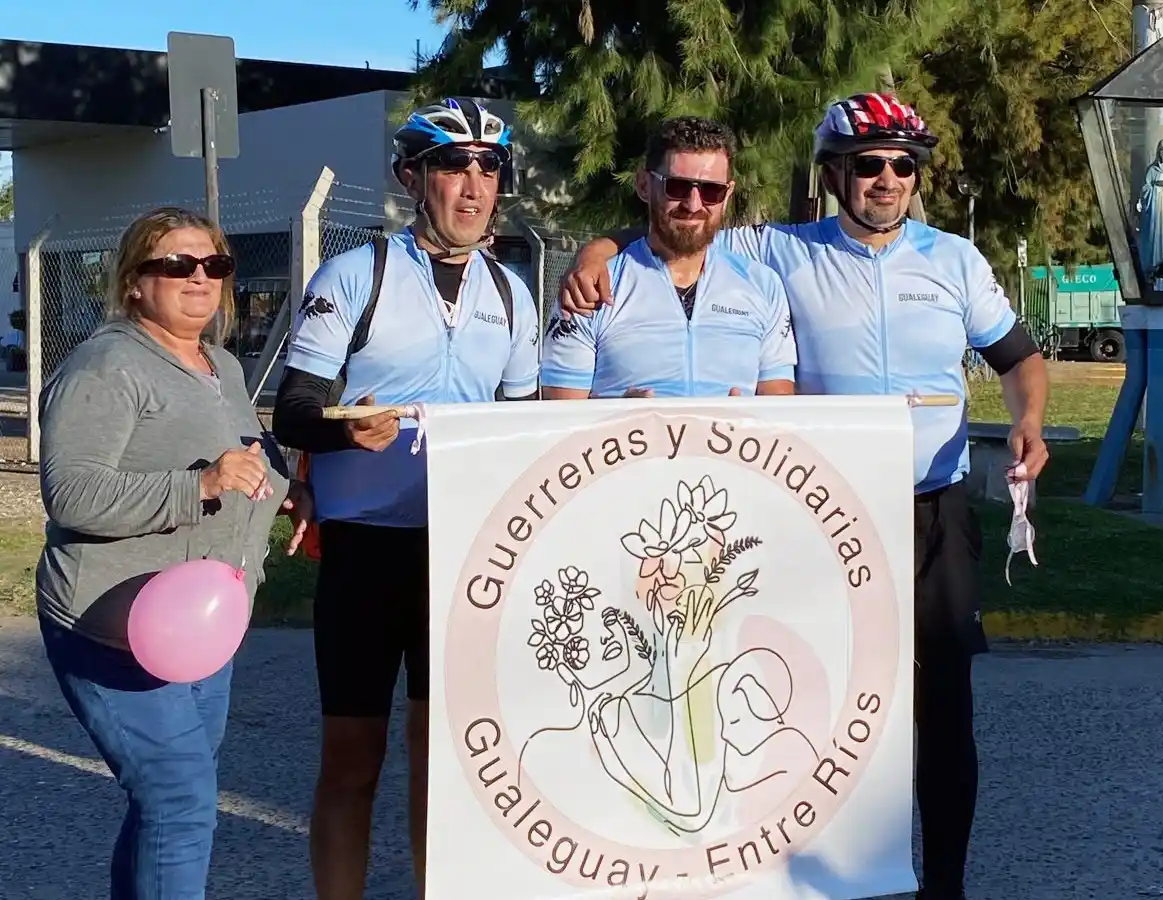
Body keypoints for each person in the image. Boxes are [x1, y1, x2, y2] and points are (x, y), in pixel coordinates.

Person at [555, 93, 1051, 900]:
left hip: (934, 507)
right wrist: (595, 248)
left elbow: (1019, 357)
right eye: (867, 166)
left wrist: (1029, 419)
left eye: (902, 166)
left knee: (944, 711)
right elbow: (684, 227)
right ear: (832, 176)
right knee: (818, 703)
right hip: (827, 516)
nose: (886, 181)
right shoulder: (780, 250)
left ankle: (946, 886)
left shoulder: (956, 261)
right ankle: (824, 881)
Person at [270, 97, 540, 900]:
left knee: (443, 764)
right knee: (353, 760)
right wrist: (346, 433)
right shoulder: (359, 273)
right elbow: (292, 410)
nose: (473, 184)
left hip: (465, 553)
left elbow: (522, 434)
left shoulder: (513, 293)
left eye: (489, 169)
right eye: (454, 166)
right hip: (366, 551)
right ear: (411, 177)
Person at [36, 205, 312, 900]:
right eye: (176, 264)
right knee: (182, 803)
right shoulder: (107, 365)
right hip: (111, 626)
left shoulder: (217, 362)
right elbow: (71, 492)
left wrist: (285, 490)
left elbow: (243, 454)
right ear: (134, 282)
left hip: (200, 627)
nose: (200, 277)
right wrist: (200, 488)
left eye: (214, 265)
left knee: (167, 802)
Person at [540, 116, 796, 400]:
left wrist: (751, 419)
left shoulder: (763, 285)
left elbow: (778, 410)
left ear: (728, 194)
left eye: (712, 190)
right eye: (677, 187)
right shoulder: (592, 288)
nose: (694, 205)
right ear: (644, 185)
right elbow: (560, 418)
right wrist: (614, 419)